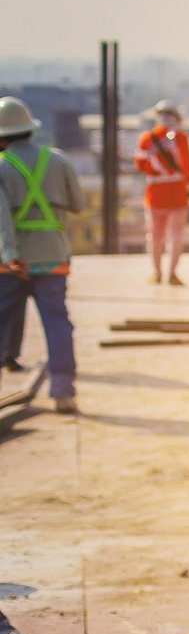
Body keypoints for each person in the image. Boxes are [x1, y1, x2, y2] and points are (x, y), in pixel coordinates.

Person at [0, 96, 84, 414]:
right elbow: (78, 204)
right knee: (58, 324)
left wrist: (10, 255)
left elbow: (2, 219)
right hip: (53, 256)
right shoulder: (58, 160)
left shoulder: (2, 165)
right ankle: (63, 391)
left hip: (13, 262)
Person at [136, 99, 189, 286]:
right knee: (176, 235)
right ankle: (172, 273)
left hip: (155, 194)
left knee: (155, 236)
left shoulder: (147, 138)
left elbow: (140, 164)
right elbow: (187, 166)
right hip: (177, 193)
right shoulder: (180, 138)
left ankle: (156, 272)